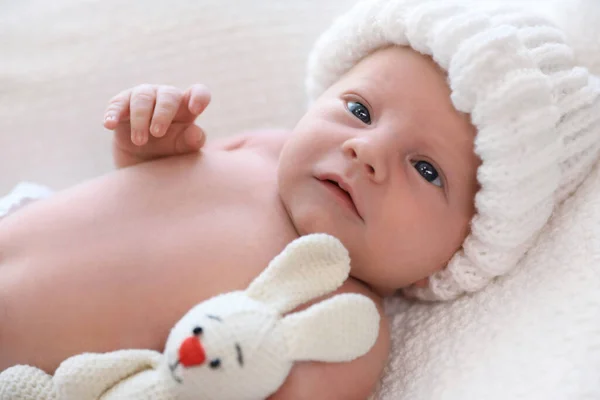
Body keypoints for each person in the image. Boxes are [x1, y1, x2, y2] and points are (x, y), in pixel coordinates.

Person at [1, 0, 598, 398]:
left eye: (425, 169)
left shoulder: (338, 320)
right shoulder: (266, 147)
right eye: (360, 110)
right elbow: (144, 202)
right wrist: (151, 150)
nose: (367, 149)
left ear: (461, 249)